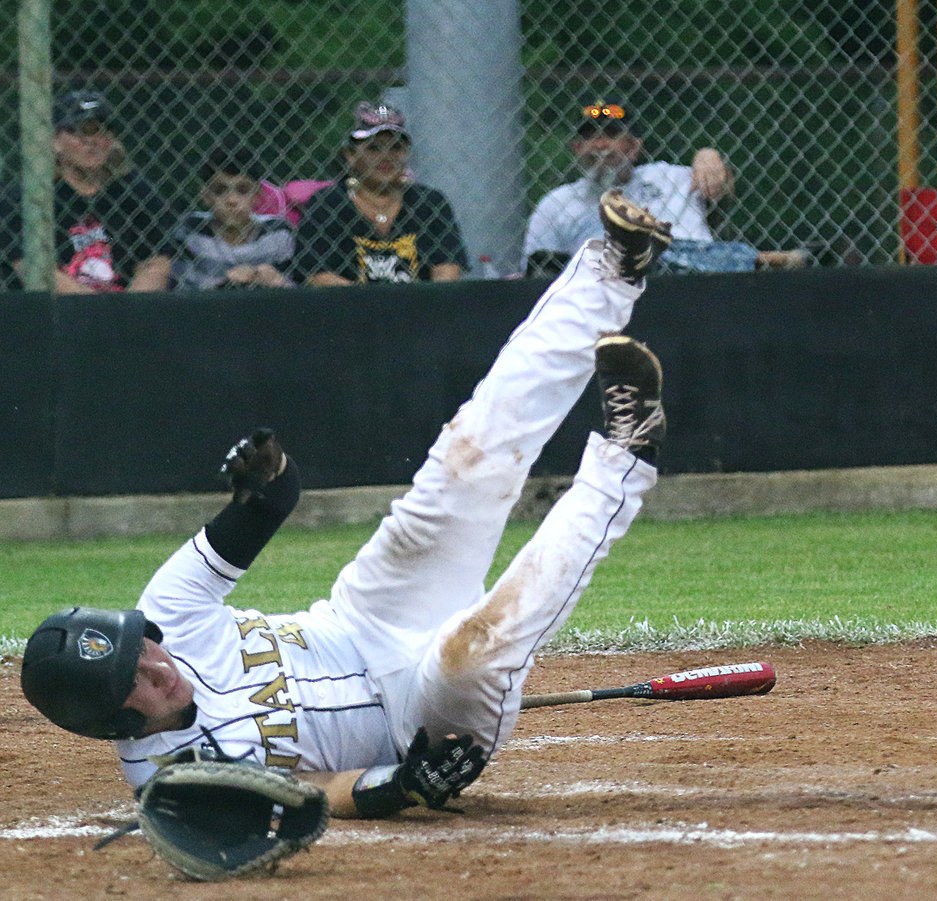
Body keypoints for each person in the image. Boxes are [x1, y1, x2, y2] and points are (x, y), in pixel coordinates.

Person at [20, 189, 673, 820]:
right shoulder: (175, 776)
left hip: (367, 616)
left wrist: (261, 476)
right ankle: (628, 453)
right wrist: (403, 783)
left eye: (140, 647)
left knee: (462, 462)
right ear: (112, 719)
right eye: (132, 674)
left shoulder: (165, 615)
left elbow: (274, 499)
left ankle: (612, 270)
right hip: (417, 720)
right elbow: (318, 792)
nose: (154, 662)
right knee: (475, 649)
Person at [523, 101, 808, 278]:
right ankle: (759, 261)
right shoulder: (556, 203)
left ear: (635, 147)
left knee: (653, 244)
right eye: (590, 137)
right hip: (611, 291)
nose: (600, 144)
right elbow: (538, 269)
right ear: (576, 149)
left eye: (612, 135)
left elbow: (723, 188)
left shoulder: (670, 177)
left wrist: (710, 156)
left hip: (693, 284)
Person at [0, 90, 172, 293]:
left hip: (127, 312)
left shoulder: (135, 192)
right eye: (80, 131)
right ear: (55, 140)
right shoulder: (26, 198)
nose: (92, 140)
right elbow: (32, 269)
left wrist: (127, 313)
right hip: (57, 314)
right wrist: (94, 312)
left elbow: (156, 263)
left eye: (101, 131)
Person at [292, 101, 468, 286]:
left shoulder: (430, 203)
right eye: (374, 148)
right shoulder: (327, 204)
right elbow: (317, 276)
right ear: (350, 155)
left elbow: (448, 269)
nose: (386, 156)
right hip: (349, 309)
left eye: (396, 147)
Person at [169, 146, 295, 290]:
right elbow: (182, 287)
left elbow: (294, 290)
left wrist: (270, 279)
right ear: (205, 195)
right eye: (220, 190)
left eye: (243, 190)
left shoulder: (276, 233)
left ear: (257, 195)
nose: (232, 200)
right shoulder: (191, 230)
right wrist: (230, 281)